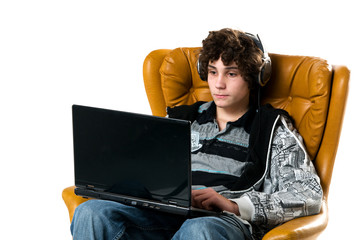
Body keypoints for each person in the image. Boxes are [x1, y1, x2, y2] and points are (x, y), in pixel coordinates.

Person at [71, 28, 323, 240]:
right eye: (213, 72)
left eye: (231, 73)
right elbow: (143, 171)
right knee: (92, 212)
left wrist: (234, 205)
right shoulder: (181, 119)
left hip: (219, 221)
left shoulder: (272, 129)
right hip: (162, 213)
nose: (218, 83)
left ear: (254, 77)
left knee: (198, 229)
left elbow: (309, 194)